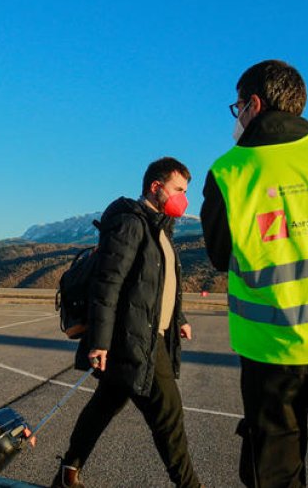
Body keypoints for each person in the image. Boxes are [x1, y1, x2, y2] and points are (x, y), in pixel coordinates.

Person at [200, 60, 308, 488]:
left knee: (275, 474)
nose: (237, 117)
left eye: (237, 107)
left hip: (271, 352)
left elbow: (220, 256)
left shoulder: (228, 172)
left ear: (254, 104)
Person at [52, 158, 201, 488]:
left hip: (148, 331)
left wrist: (178, 318)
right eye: (179, 190)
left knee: (105, 404)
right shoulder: (130, 224)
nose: (184, 199)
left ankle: (68, 472)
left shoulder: (159, 227)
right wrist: (99, 342)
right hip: (134, 337)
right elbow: (108, 284)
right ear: (156, 187)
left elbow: (159, 283)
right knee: (169, 414)